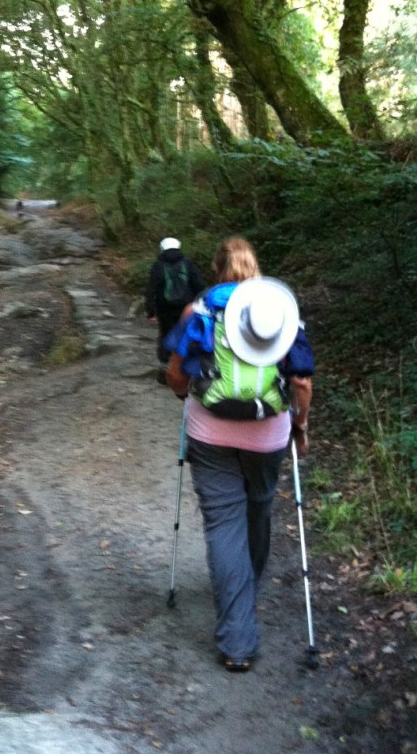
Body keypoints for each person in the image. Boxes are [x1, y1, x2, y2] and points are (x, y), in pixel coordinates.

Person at [165, 236, 314, 672]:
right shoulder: (280, 311)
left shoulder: (200, 310)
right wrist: (300, 425)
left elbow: (176, 373)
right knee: (259, 507)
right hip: (267, 435)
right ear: (256, 268)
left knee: (222, 522)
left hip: (210, 433)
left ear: (216, 269)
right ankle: (246, 585)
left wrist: (184, 394)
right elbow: (301, 382)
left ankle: (237, 639)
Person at [145, 237, 206, 363]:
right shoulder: (187, 263)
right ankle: (183, 360)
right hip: (186, 305)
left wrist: (151, 311)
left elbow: (151, 289)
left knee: (165, 333)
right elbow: (199, 284)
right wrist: (199, 303)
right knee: (185, 331)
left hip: (164, 308)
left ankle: (165, 362)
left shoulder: (158, 265)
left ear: (162, 248)